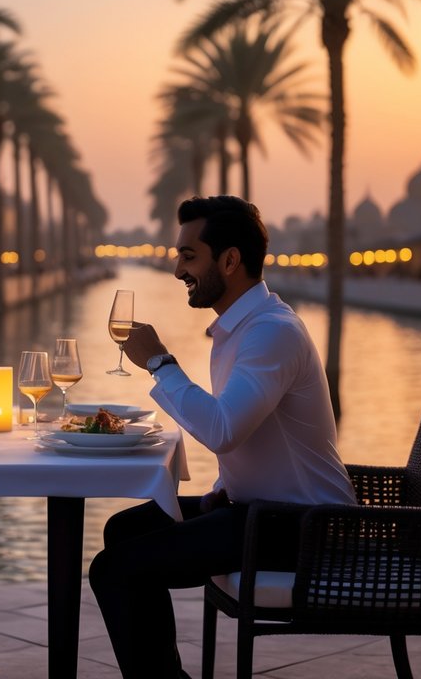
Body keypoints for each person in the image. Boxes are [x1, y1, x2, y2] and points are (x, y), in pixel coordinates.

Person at [89, 196, 356, 679]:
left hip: (301, 526)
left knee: (114, 569)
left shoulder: (272, 332)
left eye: (188, 256)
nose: (176, 270)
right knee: (125, 532)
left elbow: (223, 431)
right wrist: (222, 492)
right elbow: (247, 437)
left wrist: (159, 362)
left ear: (230, 260)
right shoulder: (244, 327)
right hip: (259, 511)